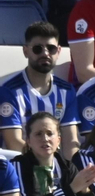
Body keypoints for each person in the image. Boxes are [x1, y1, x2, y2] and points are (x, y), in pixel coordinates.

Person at [0, 23, 82, 158]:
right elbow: (13, 143)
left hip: (55, 167)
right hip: (19, 167)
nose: (45, 53)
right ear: (26, 51)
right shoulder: (9, 91)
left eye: (51, 48)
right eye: (37, 49)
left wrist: (68, 172)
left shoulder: (67, 91)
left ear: (59, 51)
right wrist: (47, 164)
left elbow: (70, 142)